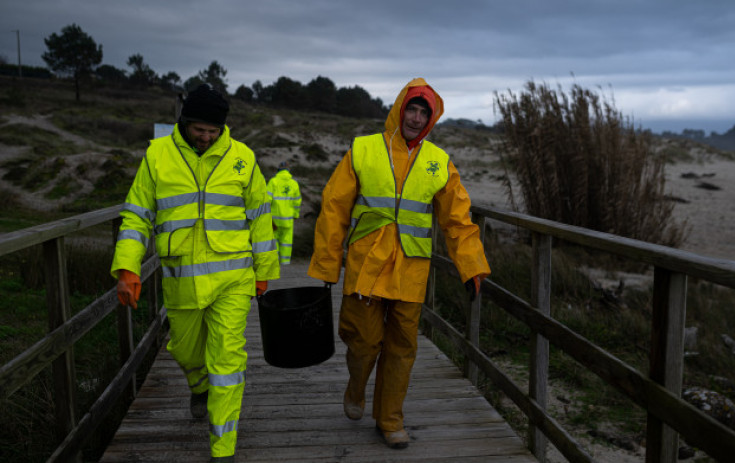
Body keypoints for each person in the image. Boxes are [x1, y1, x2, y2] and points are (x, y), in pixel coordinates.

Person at [307, 77, 491, 449]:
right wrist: (327, 266)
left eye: (424, 112)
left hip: (410, 271)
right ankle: (356, 389)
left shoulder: (439, 163)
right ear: (399, 109)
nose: (416, 117)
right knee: (363, 342)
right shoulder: (363, 150)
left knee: (402, 348)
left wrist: (471, 266)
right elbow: (333, 208)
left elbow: (457, 219)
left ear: (431, 119)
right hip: (366, 266)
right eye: (412, 108)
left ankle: (390, 419)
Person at [111, 83, 279, 463]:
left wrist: (264, 271)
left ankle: (223, 447)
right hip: (181, 278)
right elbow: (137, 215)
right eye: (199, 129)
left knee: (228, 359)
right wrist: (127, 266)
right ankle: (198, 386)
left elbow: (260, 218)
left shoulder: (243, 158)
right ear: (184, 122)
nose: (205, 137)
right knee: (185, 351)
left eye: (213, 131)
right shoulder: (157, 156)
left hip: (233, 279)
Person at [266, 161, 302, 265]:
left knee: (274, 240)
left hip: (274, 219)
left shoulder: (273, 182)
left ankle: (275, 262)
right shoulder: (294, 183)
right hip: (288, 219)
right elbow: (297, 202)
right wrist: (295, 214)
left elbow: (267, 200)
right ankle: (286, 263)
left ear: (279, 170)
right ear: (288, 170)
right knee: (286, 242)